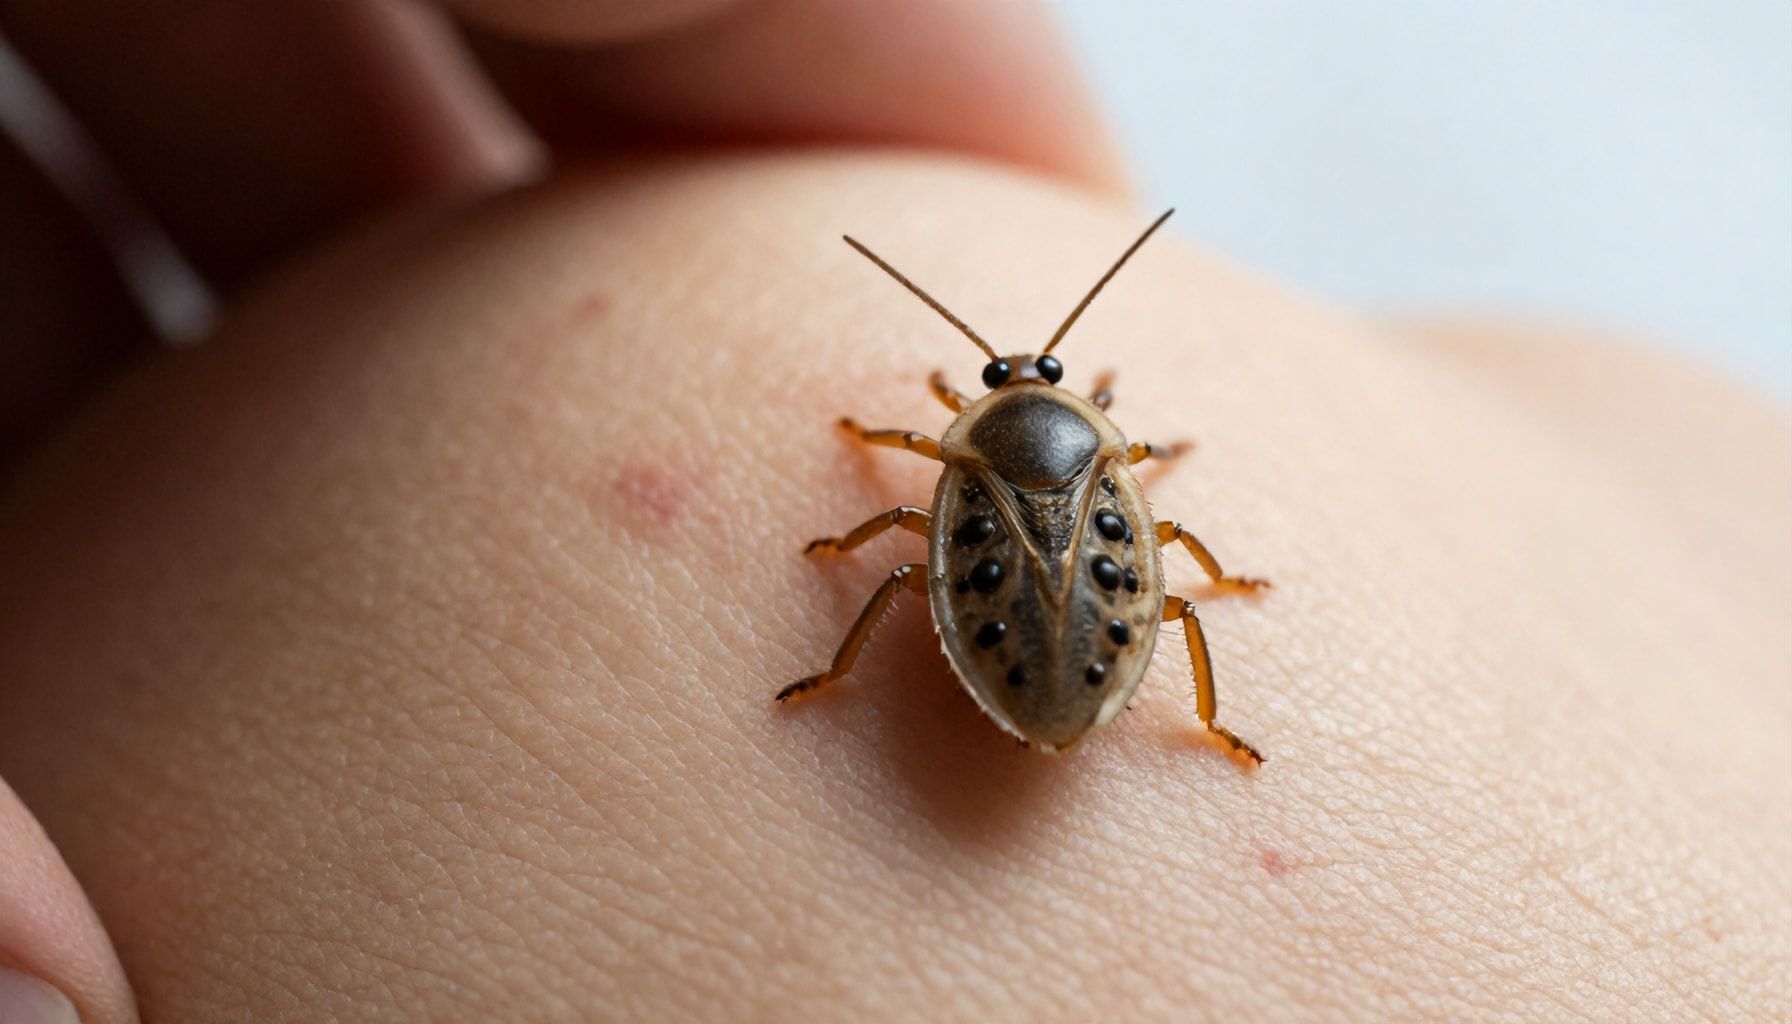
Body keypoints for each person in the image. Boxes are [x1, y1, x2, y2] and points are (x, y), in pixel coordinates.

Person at [0, 2, 1785, 1020]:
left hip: (1006, 660)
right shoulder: (1053, 458)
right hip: (1061, 661)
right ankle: (1175, 720)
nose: (1033, 406)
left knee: (914, 587)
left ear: (1035, 419)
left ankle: (998, 693)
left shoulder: (971, 470)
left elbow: (902, 556)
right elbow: (1117, 546)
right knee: (1150, 605)